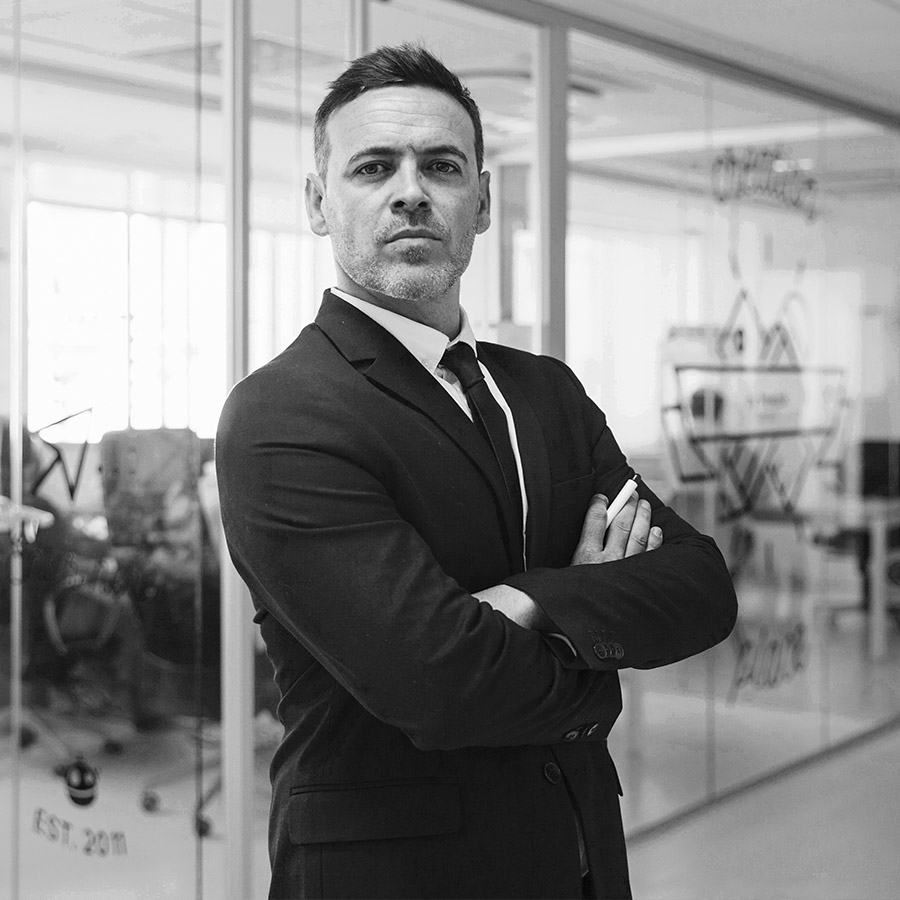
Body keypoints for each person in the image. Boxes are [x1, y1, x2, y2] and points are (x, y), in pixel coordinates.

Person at [216, 43, 737, 900]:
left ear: (483, 201)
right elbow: (439, 686)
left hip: (577, 861)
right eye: (374, 166)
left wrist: (533, 600)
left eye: (442, 166)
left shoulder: (545, 390)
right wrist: (597, 653)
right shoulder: (283, 415)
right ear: (318, 202)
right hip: (396, 875)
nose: (410, 190)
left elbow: (702, 586)